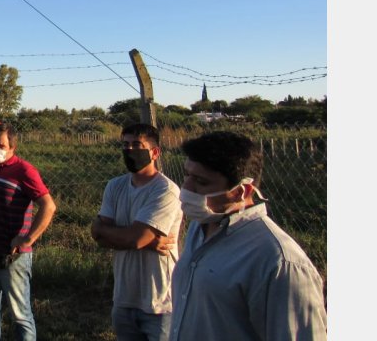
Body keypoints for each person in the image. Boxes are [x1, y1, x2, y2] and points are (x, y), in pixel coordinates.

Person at [169, 131, 327, 341]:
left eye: (201, 181)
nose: (186, 188)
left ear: (241, 191)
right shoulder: (200, 228)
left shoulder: (278, 262)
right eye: (186, 175)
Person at [91, 123, 183, 341]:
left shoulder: (166, 190)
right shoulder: (115, 186)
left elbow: (133, 238)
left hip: (159, 301)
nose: (130, 150)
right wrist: (147, 241)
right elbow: (98, 235)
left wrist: (109, 231)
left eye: (136, 145)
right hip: (124, 297)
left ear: (155, 152)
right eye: (125, 145)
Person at [0, 121, 56, 341]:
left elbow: (48, 206)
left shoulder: (24, 171)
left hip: (13, 257)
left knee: (21, 316)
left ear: (12, 147)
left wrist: (28, 239)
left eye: (1, 145)